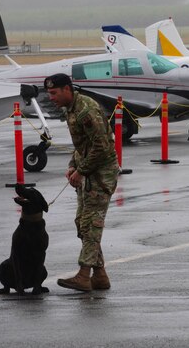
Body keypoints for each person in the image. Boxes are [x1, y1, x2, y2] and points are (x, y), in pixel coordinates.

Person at [44, 73, 119, 292]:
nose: (51, 98)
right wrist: (72, 166)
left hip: (101, 174)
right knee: (82, 223)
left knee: (91, 224)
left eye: (54, 93)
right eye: (49, 93)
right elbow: (82, 145)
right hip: (88, 172)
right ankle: (100, 275)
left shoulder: (86, 110)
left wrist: (81, 170)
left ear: (67, 89)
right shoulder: (71, 109)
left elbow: (102, 146)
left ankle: (84, 275)